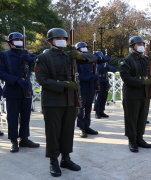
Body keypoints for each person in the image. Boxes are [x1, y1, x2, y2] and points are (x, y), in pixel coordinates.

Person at [35, 28, 97, 177]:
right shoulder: (44, 57)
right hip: (53, 101)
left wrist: (80, 54)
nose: (62, 40)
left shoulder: (70, 55)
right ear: (50, 41)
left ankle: (66, 158)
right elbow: (41, 79)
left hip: (70, 99)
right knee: (53, 132)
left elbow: (94, 58)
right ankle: (53, 161)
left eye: (64, 38)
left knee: (68, 131)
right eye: (58, 38)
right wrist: (63, 85)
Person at [118, 36, 151, 153]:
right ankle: (132, 140)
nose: (141, 46)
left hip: (144, 92)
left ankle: (140, 138)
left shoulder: (145, 59)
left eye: (143, 44)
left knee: (142, 117)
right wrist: (143, 82)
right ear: (132, 46)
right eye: (138, 44)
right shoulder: (127, 60)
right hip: (132, 92)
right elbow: (126, 77)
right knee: (132, 117)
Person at [0, 32, 40, 153]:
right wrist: (16, 80)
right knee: (12, 117)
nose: (19, 41)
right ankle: (13, 141)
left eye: (20, 39)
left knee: (26, 116)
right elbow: (1, 73)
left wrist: (32, 59)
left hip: (26, 90)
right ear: (10, 42)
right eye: (16, 39)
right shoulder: (4, 55)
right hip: (12, 91)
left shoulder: (25, 54)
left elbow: (40, 60)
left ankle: (24, 139)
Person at [74, 42, 99, 138]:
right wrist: (91, 77)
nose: (84, 48)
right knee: (80, 109)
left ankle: (87, 126)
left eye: (85, 47)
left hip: (90, 87)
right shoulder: (76, 60)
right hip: (81, 88)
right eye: (82, 47)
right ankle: (81, 127)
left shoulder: (90, 60)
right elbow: (78, 75)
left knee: (88, 109)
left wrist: (94, 77)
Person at [93, 51, 117, 119]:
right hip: (98, 82)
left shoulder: (104, 64)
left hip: (105, 82)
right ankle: (97, 112)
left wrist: (108, 67)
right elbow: (95, 75)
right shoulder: (95, 64)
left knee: (104, 97)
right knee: (98, 98)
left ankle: (101, 111)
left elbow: (114, 69)